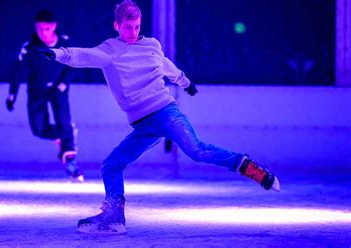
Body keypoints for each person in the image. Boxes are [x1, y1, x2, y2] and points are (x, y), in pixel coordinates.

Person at [34, 0, 280, 234]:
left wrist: (186, 82)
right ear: (116, 25)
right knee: (111, 165)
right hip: (143, 126)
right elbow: (83, 56)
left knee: (197, 151)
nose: (132, 32)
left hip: (165, 112)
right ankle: (114, 218)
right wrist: (57, 54)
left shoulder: (152, 45)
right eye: (128, 27)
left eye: (137, 26)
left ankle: (248, 167)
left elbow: (167, 67)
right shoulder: (110, 50)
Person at [6, 10, 83, 182]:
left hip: (58, 89)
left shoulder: (65, 43)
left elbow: (74, 64)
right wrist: (12, 94)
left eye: (47, 28)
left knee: (64, 120)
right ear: (36, 27)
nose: (44, 33)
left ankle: (70, 160)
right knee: (38, 128)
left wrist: (63, 85)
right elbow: (18, 71)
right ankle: (62, 136)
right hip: (37, 89)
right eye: (40, 29)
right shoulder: (30, 47)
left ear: (54, 26)